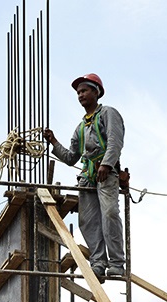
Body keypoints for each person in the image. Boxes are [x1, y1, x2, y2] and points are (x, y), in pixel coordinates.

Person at [43, 73, 126, 281]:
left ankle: (116, 263)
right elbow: (71, 158)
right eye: (78, 92)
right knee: (87, 221)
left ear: (96, 92)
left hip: (106, 174)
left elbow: (115, 141)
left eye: (85, 90)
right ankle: (98, 263)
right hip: (87, 177)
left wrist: (106, 164)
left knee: (109, 214)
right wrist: (53, 141)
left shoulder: (108, 113)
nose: (81, 95)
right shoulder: (81, 128)